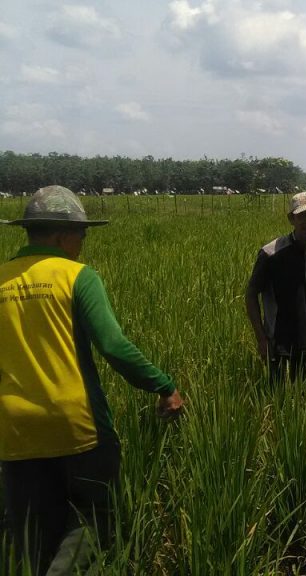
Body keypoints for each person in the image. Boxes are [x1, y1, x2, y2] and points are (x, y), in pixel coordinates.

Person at [0, 185, 183, 575]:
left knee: (33, 540)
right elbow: (113, 345)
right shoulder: (77, 276)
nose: (82, 244)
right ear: (62, 236)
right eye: (81, 235)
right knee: (93, 519)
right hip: (77, 426)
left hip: (14, 431)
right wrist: (163, 385)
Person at [246, 191, 306, 383]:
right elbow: (251, 294)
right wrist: (262, 339)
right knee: (279, 396)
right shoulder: (271, 254)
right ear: (291, 219)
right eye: (303, 216)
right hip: (280, 345)